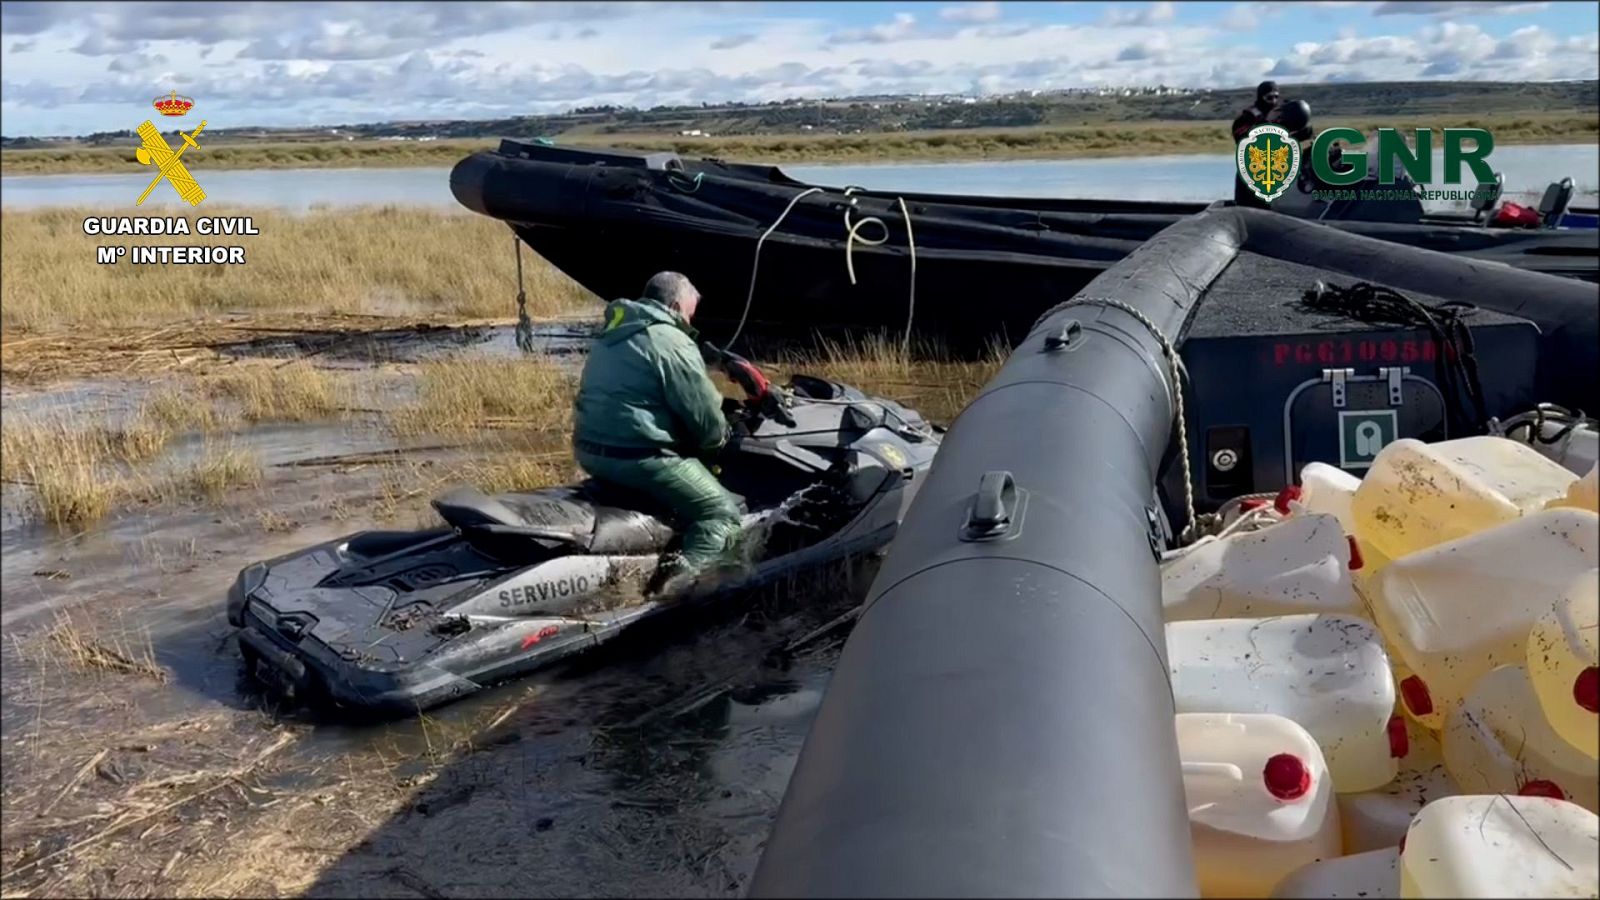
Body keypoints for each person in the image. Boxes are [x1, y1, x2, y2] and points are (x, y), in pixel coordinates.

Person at [571, 271, 742, 593]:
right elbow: (703, 416)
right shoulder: (671, 340)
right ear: (677, 305)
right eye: (691, 312)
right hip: (639, 459)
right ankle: (680, 587)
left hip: (592, 454)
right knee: (720, 514)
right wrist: (718, 443)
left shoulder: (615, 333)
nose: (691, 320)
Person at [1231, 80, 1282, 210]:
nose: (1273, 101)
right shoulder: (1247, 118)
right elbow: (1243, 140)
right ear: (1261, 97)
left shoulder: (1278, 117)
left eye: (1276, 97)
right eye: (1269, 98)